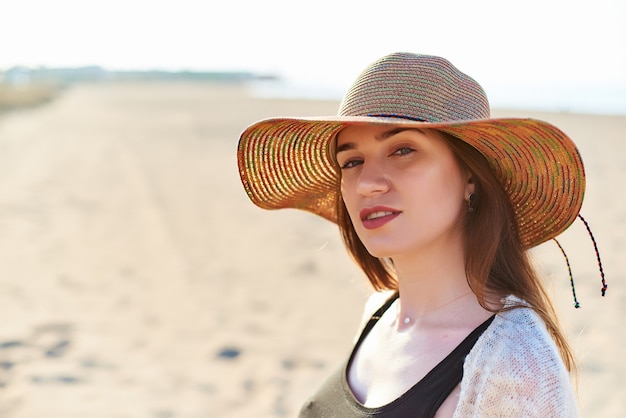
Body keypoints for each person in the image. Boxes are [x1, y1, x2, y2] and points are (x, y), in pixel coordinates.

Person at [237, 52, 600, 417]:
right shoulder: (379, 312)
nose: (368, 183)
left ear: (470, 177)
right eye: (352, 161)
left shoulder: (512, 366)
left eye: (403, 150)